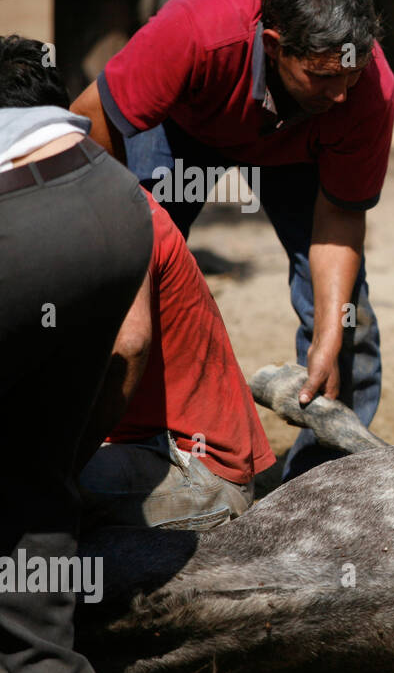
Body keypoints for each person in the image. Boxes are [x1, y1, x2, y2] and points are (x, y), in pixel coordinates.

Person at [71, 0, 394, 481]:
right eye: (324, 77)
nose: (341, 94)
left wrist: (330, 334)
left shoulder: (364, 88)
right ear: (272, 45)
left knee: (347, 318)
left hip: (297, 149)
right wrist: (118, 248)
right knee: (132, 276)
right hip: (185, 125)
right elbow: (93, 127)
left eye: (351, 78)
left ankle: (326, 482)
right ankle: (128, 444)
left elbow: (338, 217)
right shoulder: (199, 32)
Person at [0, 34, 152, 673]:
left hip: (20, 227)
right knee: (34, 482)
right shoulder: (70, 135)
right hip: (111, 204)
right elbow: (132, 344)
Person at [78, 199, 276, 531]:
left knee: (25, 495)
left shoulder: (119, 217)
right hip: (133, 444)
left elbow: (130, 345)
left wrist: (57, 473)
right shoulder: (90, 205)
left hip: (195, 467)